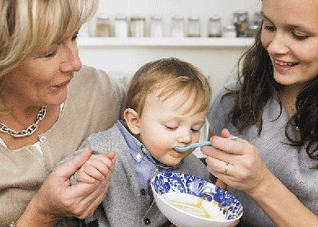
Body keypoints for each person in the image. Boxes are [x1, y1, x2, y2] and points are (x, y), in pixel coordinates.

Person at [0, 0, 126, 226]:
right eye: (49, 53)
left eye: (74, 36)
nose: (75, 63)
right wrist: (41, 213)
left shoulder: (100, 91)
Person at [202, 0, 318, 226]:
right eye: (269, 27)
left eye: (298, 35)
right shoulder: (233, 101)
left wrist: (261, 184)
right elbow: (210, 193)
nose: (274, 47)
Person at [58, 57, 212, 227]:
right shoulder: (104, 148)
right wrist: (81, 176)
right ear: (135, 121)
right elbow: (61, 182)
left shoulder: (196, 172)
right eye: (171, 126)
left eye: (195, 129)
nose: (187, 138)